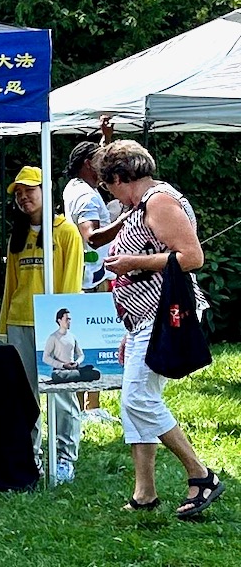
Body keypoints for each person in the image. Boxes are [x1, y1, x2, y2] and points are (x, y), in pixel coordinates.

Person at [95, 140, 224, 518]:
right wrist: (128, 327)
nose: (111, 194)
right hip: (143, 320)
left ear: (119, 178)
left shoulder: (159, 201)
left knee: (139, 400)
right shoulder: (143, 204)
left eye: (110, 186)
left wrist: (136, 260)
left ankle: (200, 475)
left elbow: (192, 256)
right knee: (132, 403)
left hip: (164, 315)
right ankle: (145, 493)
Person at [0, 166, 84, 484]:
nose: (23, 198)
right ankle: (30, 457)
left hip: (54, 326)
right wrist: (3, 328)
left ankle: (64, 459)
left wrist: (65, 328)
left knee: (62, 394)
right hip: (20, 323)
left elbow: (71, 284)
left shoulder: (65, 232)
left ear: (46, 191)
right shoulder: (17, 236)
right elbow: (11, 286)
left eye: (29, 191)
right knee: (26, 396)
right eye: (18, 194)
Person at [63, 116, 118, 423]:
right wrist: (126, 221)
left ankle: (87, 404)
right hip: (92, 277)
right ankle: (91, 408)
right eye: (101, 161)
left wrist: (105, 136)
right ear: (87, 164)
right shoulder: (85, 196)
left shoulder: (78, 185)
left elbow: (100, 157)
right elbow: (92, 236)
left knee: (82, 337)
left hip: (84, 274)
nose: (107, 167)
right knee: (93, 337)